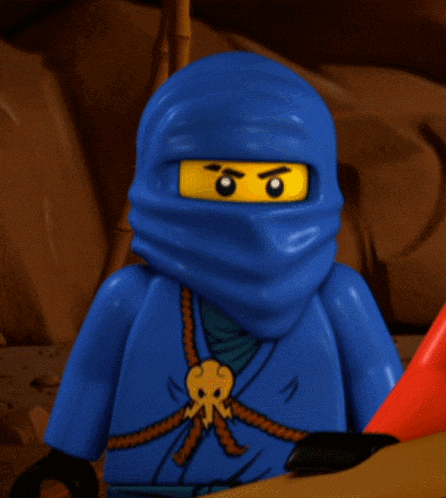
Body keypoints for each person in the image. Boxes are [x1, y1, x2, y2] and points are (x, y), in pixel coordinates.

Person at [10, 51, 403, 498]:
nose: (250, 213)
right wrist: (67, 457)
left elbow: (373, 374)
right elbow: (93, 376)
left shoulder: (337, 295)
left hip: (303, 485)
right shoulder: (130, 296)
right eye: (221, 182)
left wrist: (392, 446)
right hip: (155, 487)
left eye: (276, 184)